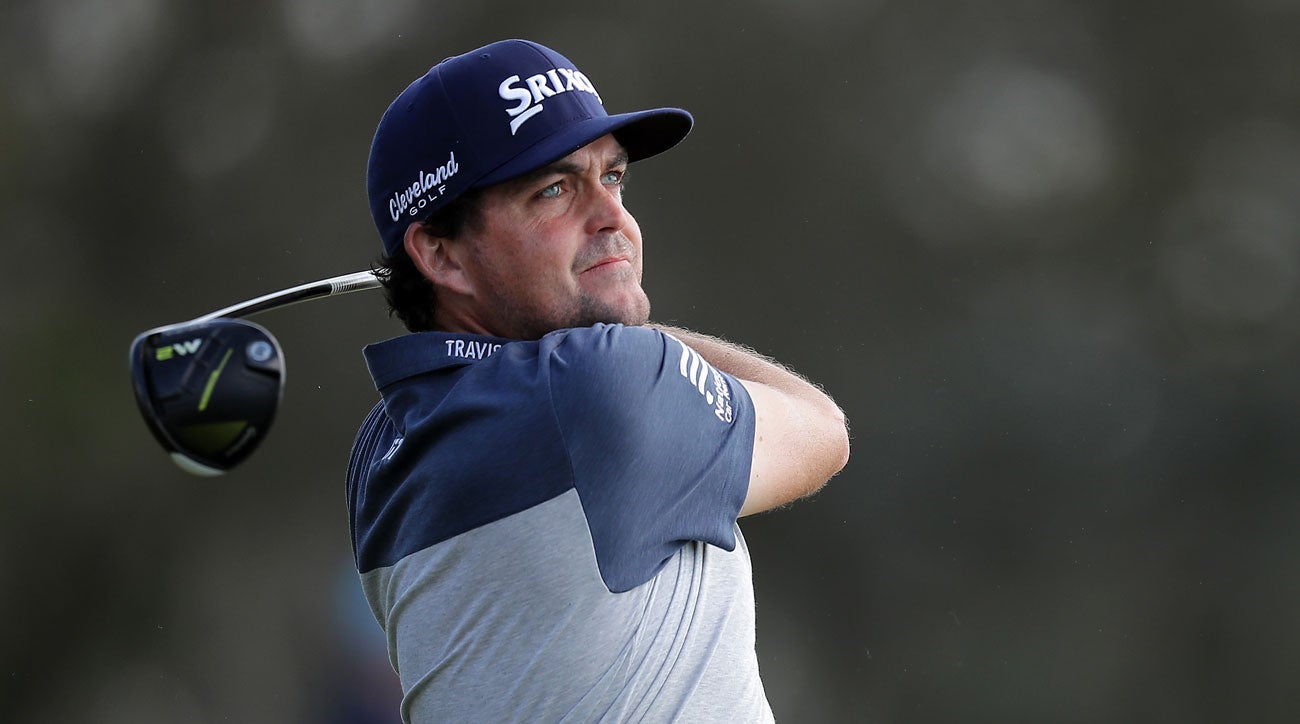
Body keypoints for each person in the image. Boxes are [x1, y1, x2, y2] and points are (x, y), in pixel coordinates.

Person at [347, 39, 850, 723]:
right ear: (441, 254)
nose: (613, 217)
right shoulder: (600, 384)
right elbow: (822, 430)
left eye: (612, 178)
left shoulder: (379, 451)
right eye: (553, 190)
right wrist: (631, 337)